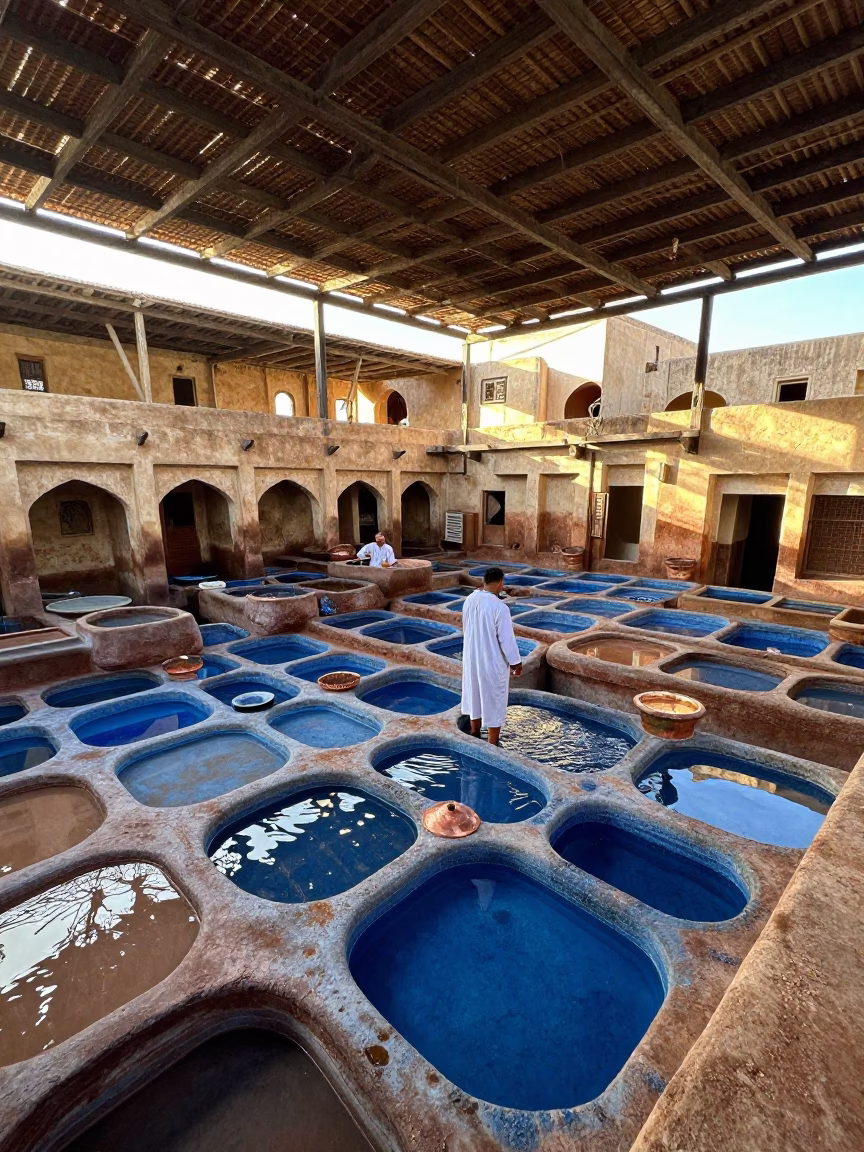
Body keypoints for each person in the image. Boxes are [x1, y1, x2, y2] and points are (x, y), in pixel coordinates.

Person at [460, 567, 522, 745]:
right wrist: (516, 663)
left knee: (475, 694)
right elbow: (506, 640)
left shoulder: (469, 600)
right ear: (501, 583)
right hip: (492, 661)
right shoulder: (499, 607)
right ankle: (493, 743)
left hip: (472, 658)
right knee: (494, 699)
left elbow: (467, 627)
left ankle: (474, 732)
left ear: (484, 581)